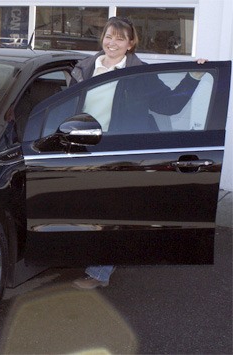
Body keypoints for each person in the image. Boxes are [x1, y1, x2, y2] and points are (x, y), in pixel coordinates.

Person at [70, 16, 207, 290]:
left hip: (119, 149)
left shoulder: (139, 73)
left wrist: (193, 78)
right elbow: (68, 104)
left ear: (131, 44)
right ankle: (84, 254)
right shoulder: (85, 67)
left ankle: (100, 272)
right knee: (88, 206)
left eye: (120, 38)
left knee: (112, 210)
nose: (113, 43)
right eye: (109, 36)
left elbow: (169, 106)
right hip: (84, 146)